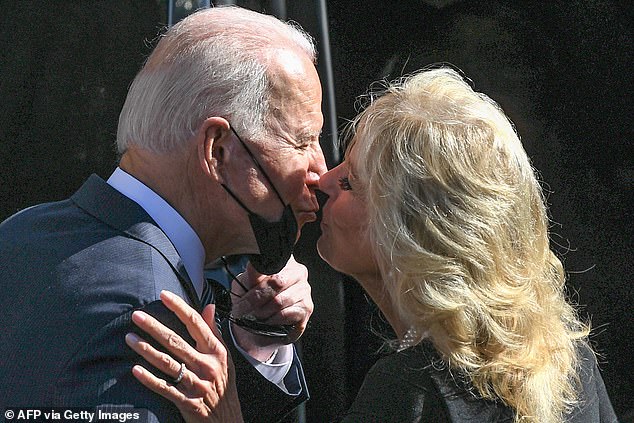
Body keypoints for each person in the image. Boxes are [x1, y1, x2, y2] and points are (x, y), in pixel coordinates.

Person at [127, 67, 618, 422]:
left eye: (353, 184)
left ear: (413, 234)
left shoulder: (413, 392)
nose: (322, 178)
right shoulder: (569, 360)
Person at [0, 6, 326, 423]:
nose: (321, 171)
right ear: (218, 151)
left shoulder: (24, 230)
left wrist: (251, 341)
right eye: (302, 142)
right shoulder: (148, 319)